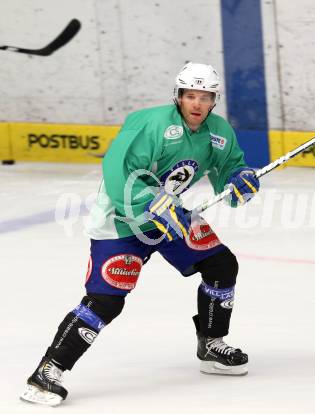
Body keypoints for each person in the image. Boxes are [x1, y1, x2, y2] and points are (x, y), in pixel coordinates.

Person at [20, 62, 260, 406]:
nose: (196, 103)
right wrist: (152, 203)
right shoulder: (150, 124)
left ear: (214, 100)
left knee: (221, 265)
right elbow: (118, 172)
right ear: (178, 96)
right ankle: (47, 372)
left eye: (204, 97)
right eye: (190, 95)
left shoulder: (219, 131)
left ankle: (211, 344)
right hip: (121, 218)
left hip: (169, 217)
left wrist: (241, 181)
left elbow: (228, 169)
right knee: (106, 301)